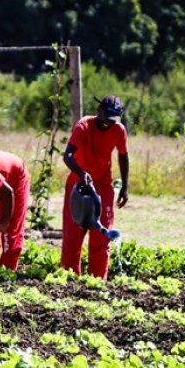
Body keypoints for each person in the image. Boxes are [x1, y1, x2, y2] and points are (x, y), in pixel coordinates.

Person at [61, 95, 129, 279]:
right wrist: (81, 173)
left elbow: (123, 156)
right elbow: (67, 156)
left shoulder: (118, 130)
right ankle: (69, 281)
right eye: (106, 118)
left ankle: (97, 283)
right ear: (99, 111)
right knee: (73, 238)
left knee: (102, 236)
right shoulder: (83, 126)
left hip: (103, 187)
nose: (108, 123)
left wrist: (124, 186)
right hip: (78, 187)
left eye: (113, 120)